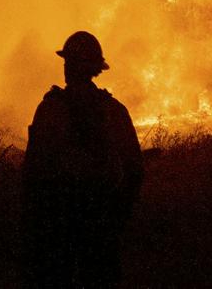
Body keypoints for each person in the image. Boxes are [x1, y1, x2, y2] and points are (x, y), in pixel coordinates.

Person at [22, 31, 144, 288]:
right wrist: (118, 215)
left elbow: (32, 172)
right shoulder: (114, 110)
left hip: (56, 220)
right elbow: (134, 169)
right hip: (100, 218)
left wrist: (34, 221)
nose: (66, 68)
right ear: (96, 68)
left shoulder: (50, 108)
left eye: (69, 62)